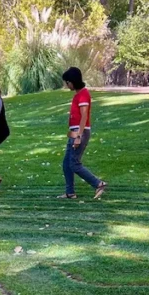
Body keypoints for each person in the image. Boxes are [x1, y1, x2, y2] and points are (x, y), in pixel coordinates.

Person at [59, 67, 107, 200]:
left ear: (72, 81)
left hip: (80, 132)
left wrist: (78, 136)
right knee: (66, 163)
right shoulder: (78, 95)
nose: (67, 85)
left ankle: (98, 184)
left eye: (67, 82)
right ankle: (70, 193)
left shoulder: (84, 94)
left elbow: (84, 116)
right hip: (74, 132)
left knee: (74, 163)